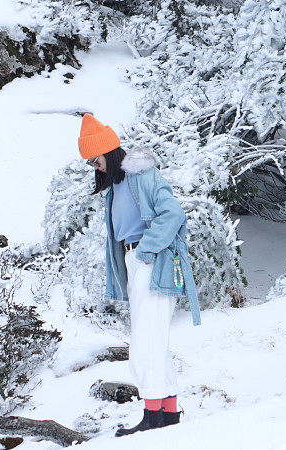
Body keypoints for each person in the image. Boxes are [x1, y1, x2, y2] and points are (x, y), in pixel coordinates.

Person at [77, 113, 201, 437]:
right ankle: (168, 414)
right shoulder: (115, 188)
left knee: (145, 343)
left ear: (108, 150)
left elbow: (173, 213)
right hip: (139, 265)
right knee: (155, 340)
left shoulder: (142, 175)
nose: (94, 166)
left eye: (95, 159)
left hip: (153, 262)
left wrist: (146, 251)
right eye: (89, 162)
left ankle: (152, 415)